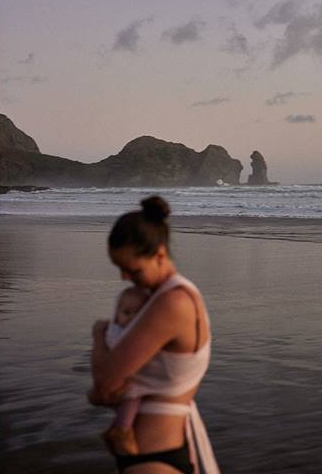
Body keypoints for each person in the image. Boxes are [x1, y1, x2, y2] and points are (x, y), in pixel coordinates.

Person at [89, 196, 220, 474]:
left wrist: (98, 335)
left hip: (155, 457)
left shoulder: (173, 303)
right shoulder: (158, 298)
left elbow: (103, 386)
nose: (124, 277)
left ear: (160, 255)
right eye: (120, 269)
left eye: (133, 270)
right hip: (156, 450)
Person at [101, 285, 151, 455]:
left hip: (121, 375)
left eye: (136, 313)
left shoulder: (124, 332)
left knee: (130, 400)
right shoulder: (118, 333)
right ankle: (121, 430)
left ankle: (118, 427)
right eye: (126, 313)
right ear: (117, 316)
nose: (130, 318)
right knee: (133, 396)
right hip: (124, 377)